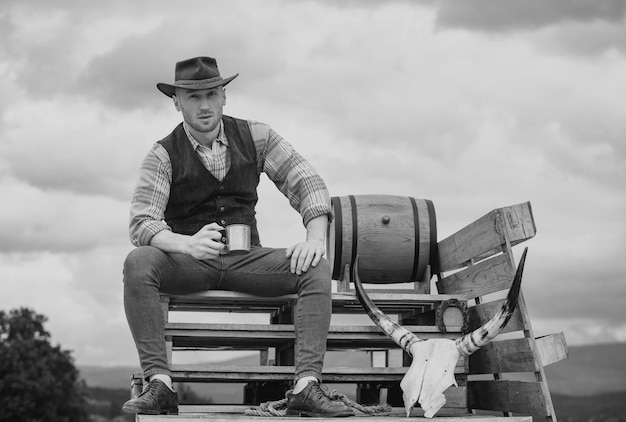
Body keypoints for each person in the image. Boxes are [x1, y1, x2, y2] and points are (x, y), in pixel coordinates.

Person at [121, 56, 354, 417]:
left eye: (211, 94)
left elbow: (307, 181)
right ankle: (160, 384)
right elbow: (142, 222)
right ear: (176, 101)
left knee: (314, 266)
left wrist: (315, 237)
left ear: (224, 96)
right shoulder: (163, 154)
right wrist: (186, 243)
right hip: (189, 263)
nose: (204, 105)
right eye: (193, 97)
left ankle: (307, 386)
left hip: (248, 260)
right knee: (138, 263)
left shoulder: (256, 135)